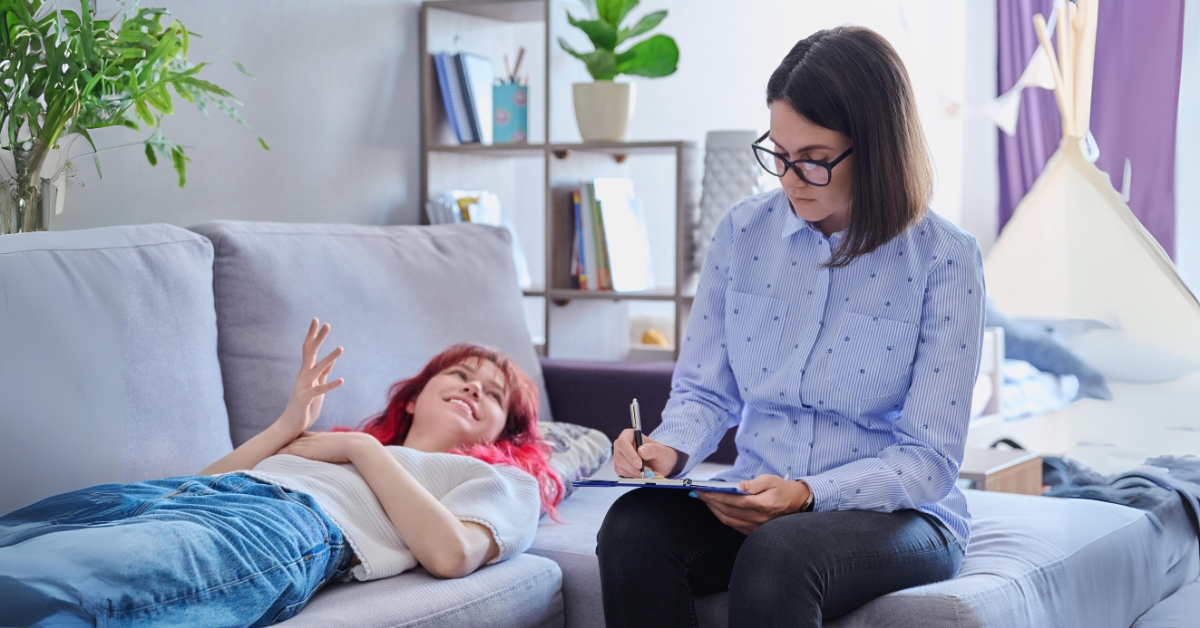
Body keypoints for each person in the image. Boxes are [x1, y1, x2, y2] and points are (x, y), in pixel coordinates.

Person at [597, 26, 984, 628]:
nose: (789, 177)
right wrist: (665, 451)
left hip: (898, 515)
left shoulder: (945, 260)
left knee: (779, 556)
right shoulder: (741, 234)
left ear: (877, 149)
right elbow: (705, 391)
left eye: (814, 160)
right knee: (632, 529)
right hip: (753, 495)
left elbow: (929, 459)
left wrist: (807, 493)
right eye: (778, 153)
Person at [0, 319, 561, 627]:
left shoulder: (503, 482)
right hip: (186, 494)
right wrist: (288, 426)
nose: (472, 388)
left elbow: (452, 555)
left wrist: (363, 449)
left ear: (503, 432)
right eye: (462, 375)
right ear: (412, 400)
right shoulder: (330, 443)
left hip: (288, 523)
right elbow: (207, 478)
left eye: (492, 395)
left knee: (54, 592)